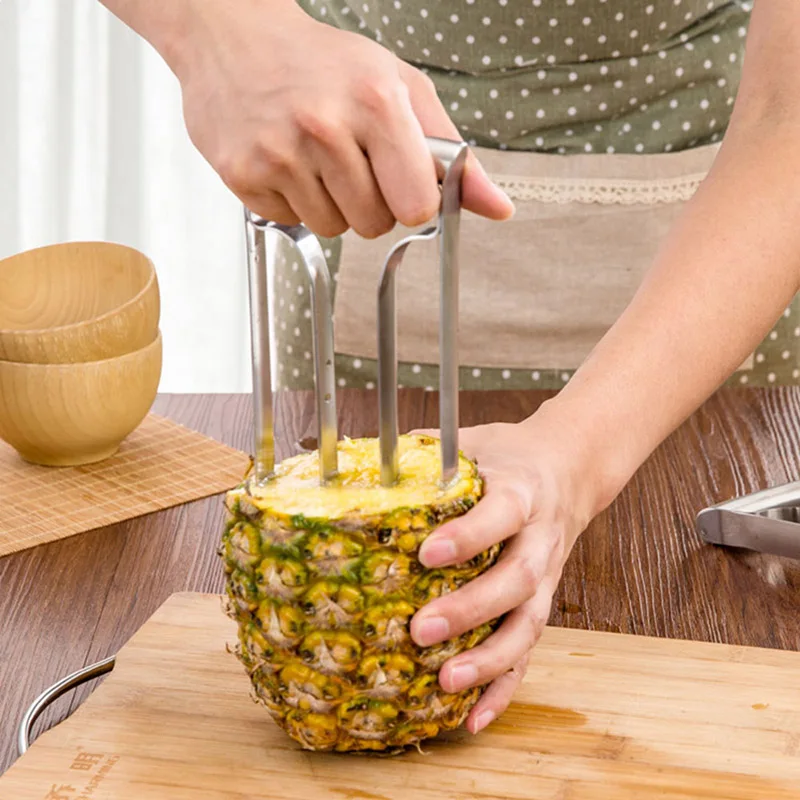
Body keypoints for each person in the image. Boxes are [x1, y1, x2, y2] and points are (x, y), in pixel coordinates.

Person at [100, 0, 800, 734]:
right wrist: (217, 30)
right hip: (356, 237)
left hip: (717, 303)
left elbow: (787, 117)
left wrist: (578, 453)